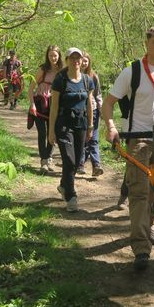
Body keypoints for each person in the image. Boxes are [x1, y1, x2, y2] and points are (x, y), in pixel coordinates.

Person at [102, 25, 154, 271]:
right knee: (139, 193)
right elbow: (108, 103)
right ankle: (141, 249)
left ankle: (151, 226)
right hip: (138, 139)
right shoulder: (132, 72)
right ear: (147, 43)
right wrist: (111, 127)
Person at [48, 47, 94, 213]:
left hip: (81, 124)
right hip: (63, 124)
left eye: (78, 58)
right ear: (66, 60)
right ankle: (71, 196)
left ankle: (63, 185)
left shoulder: (88, 80)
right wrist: (51, 131)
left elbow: (89, 104)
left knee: (75, 162)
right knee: (69, 160)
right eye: (72, 58)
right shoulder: (60, 80)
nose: (76, 61)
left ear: (82, 61)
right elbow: (53, 107)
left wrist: (91, 126)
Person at [27, 45, 63, 174]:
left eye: (55, 55)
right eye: (50, 55)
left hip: (55, 105)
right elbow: (31, 88)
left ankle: (49, 159)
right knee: (42, 133)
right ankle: (43, 161)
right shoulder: (43, 69)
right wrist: (32, 104)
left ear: (59, 56)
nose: (52, 58)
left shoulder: (62, 71)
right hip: (40, 104)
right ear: (47, 56)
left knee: (52, 133)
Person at [78, 51, 103, 177]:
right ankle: (80, 164)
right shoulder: (73, 76)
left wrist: (101, 108)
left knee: (94, 139)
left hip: (93, 110)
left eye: (86, 61)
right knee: (82, 138)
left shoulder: (93, 76)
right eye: (82, 60)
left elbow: (98, 94)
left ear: (89, 63)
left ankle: (96, 165)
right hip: (79, 110)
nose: (83, 63)